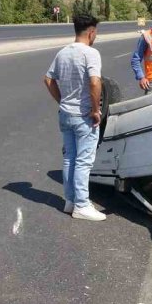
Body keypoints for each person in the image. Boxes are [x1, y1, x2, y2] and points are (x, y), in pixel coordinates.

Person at [44, 14, 106, 222]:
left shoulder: (62, 53)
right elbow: (95, 82)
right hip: (83, 115)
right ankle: (82, 205)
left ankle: (69, 201)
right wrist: (96, 110)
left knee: (70, 158)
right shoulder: (91, 53)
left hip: (65, 113)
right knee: (84, 161)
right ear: (91, 32)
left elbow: (48, 79)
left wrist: (61, 100)